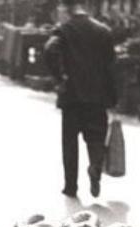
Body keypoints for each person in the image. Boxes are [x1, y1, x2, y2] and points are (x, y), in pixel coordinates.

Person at [44, 0, 118, 199]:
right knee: (96, 137)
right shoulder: (104, 32)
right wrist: (112, 97)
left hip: (72, 96)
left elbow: (50, 50)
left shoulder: (63, 30)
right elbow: (112, 67)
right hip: (98, 96)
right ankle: (95, 167)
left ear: (68, 9)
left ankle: (71, 186)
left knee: (70, 142)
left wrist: (60, 77)